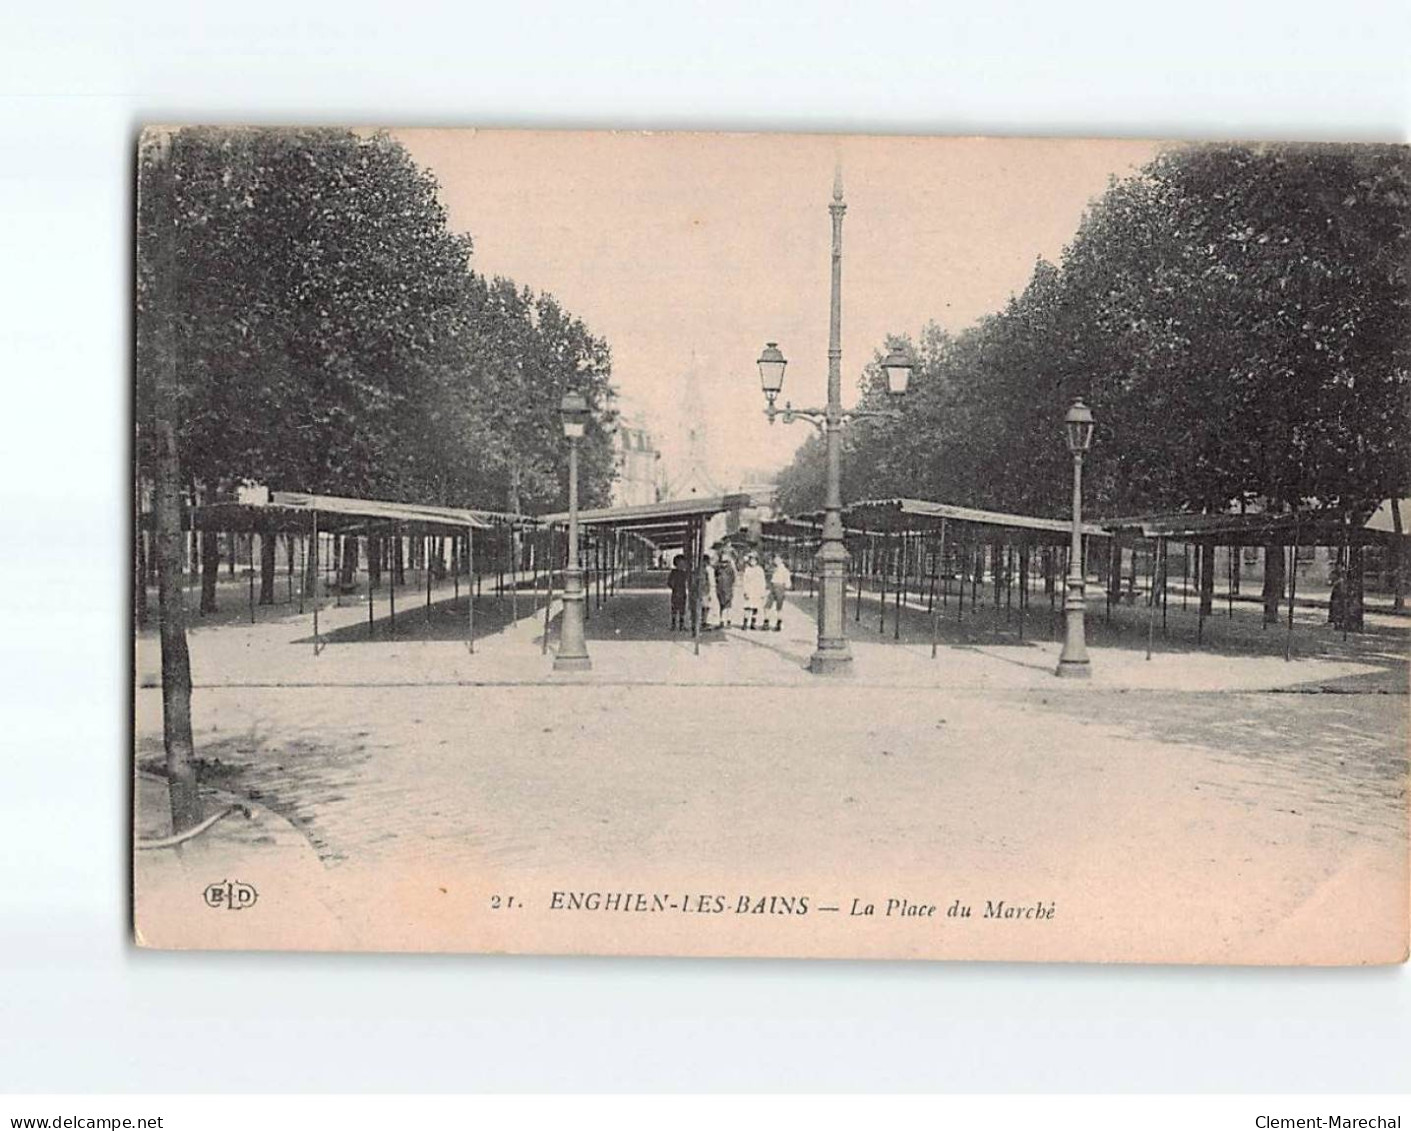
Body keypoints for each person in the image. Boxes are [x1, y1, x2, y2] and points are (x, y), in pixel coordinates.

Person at [761, 554, 792, 631]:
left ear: (781, 560)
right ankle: (766, 622)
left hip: (780, 587)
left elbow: (788, 584)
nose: (775, 561)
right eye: (775, 559)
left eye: (777, 559)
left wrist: (783, 588)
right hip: (773, 587)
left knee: (778, 607)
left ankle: (778, 624)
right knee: (767, 606)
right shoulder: (775, 569)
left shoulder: (784, 570)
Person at [738, 553, 767, 630]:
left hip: (757, 591)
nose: (752, 562)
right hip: (749, 590)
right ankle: (745, 623)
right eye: (751, 560)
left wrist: (763, 592)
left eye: (754, 560)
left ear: (757, 561)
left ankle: (752, 623)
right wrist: (745, 591)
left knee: (755, 607)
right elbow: (744, 581)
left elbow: (763, 581)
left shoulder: (760, 570)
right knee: (748, 607)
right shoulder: (747, 570)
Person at [715, 548, 737, 628]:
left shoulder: (730, 569)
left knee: (728, 605)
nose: (724, 564)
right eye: (722, 562)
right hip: (720, 588)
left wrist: (733, 587)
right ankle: (722, 620)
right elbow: (716, 577)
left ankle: (728, 620)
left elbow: (734, 578)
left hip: (728, 588)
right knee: (722, 605)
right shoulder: (718, 569)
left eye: (726, 562)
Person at [667, 553, 689, 631]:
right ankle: (674, 625)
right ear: (677, 564)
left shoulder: (684, 573)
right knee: (675, 609)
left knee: (682, 609)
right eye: (681, 563)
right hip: (676, 592)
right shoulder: (675, 573)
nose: (683, 565)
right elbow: (669, 582)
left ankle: (680, 625)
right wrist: (673, 587)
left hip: (681, 593)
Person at [697, 552, 718, 630]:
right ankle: (704, 622)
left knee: (709, 606)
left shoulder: (710, 569)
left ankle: (707, 621)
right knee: (705, 606)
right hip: (706, 589)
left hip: (711, 588)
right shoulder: (703, 570)